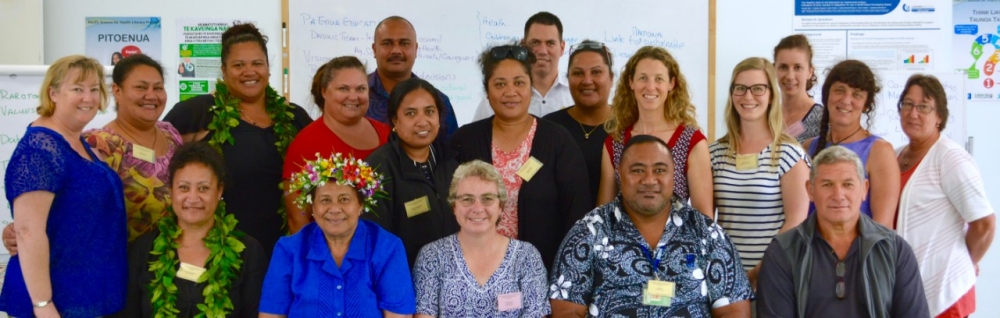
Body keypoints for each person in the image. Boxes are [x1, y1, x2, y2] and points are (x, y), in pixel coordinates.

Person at [550, 135, 752, 317]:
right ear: (619, 173)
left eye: (660, 170)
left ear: (674, 173)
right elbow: (567, 311)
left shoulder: (707, 234)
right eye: (637, 170)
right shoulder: (588, 232)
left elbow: (733, 311)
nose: (649, 180)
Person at [3, 54, 184, 253]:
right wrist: (19, 231)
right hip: (127, 265)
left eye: (158, 87)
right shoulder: (99, 144)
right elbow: (64, 205)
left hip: (176, 261)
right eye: (141, 87)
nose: (151, 95)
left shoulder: (170, 134)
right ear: (117, 91)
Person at [164, 23, 313, 255]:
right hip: (217, 253)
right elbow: (158, 163)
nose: (249, 71)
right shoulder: (197, 113)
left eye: (257, 63)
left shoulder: (295, 117)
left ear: (268, 69)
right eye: (238, 65)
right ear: (223, 71)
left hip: (282, 250)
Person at [0, 55, 126, 317]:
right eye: (77, 89)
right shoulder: (40, 148)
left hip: (86, 297)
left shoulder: (81, 144)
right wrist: (43, 305)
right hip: (55, 302)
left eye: (94, 89)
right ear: (53, 93)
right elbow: (27, 231)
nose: (88, 98)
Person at [449, 43, 592, 270]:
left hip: (541, 274)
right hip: (473, 271)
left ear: (530, 86)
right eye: (500, 84)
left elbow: (577, 213)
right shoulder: (464, 140)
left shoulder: (556, 140)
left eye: (519, 82)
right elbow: (447, 209)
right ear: (487, 91)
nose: (510, 92)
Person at [756, 146, 929, 318]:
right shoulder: (783, 252)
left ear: (864, 189)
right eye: (827, 184)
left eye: (847, 184)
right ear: (810, 190)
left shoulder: (895, 250)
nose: (838, 195)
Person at [120, 142, 267, 317]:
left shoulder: (249, 252)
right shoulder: (144, 249)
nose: (193, 198)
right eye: (183, 187)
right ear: (171, 190)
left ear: (219, 191)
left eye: (203, 188)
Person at [260, 153, 415, 317]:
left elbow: (399, 315)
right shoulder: (289, 249)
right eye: (325, 200)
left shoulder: (386, 248)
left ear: (361, 205)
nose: (334, 209)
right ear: (312, 207)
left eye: (344, 199)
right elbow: (271, 314)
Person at [894, 74, 995, 317]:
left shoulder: (951, 158)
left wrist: (963, 264)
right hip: (907, 292)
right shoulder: (894, 156)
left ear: (939, 117)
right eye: (907, 104)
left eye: (924, 107)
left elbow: (984, 224)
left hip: (944, 297)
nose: (913, 113)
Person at [711, 57, 811, 289]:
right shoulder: (714, 153)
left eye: (758, 89)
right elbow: (707, 221)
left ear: (771, 95)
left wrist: (758, 273)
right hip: (725, 277)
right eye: (740, 88)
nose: (748, 97)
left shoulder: (790, 154)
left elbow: (796, 222)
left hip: (775, 276)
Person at [412, 160, 550, 317]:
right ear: (453, 206)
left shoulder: (527, 256)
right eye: (467, 199)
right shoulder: (431, 256)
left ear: (500, 206)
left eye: (487, 198)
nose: (477, 208)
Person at [597, 46, 714, 218]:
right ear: (631, 82)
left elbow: (704, 219)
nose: (650, 87)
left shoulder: (692, 142)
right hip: (622, 244)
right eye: (643, 78)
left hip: (679, 243)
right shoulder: (615, 142)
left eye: (659, 79)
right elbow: (603, 215)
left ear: (671, 84)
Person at [283, 56, 391, 233]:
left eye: (361, 89)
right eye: (343, 88)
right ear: (324, 91)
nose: (353, 96)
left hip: (384, 250)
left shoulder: (387, 134)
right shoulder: (305, 144)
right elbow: (298, 220)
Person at [364, 77, 459, 266]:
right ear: (395, 121)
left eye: (429, 112)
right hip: (402, 278)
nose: (422, 122)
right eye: (410, 113)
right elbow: (375, 240)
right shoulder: (378, 169)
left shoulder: (452, 160)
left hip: (452, 276)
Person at [803, 60, 898, 228]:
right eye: (840, 90)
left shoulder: (879, 151)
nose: (846, 100)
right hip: (811, 252)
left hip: (860, 253)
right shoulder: (808, 147)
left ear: (866, 105)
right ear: (827, 96)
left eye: (857, 94)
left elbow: (883, 228)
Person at [542, 40, 614, 200]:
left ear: (611, 78)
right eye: (578, 73)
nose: (587, 80)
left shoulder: (631, 126)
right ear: (568, 79)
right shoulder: (548, 128)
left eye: (596, 72)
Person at [366, 16, 459, 139]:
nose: (396, 50)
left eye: (404, 43)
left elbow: (451, 153)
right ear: (374, 49)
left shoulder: (438, 101)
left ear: (415, 49)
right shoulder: (356, 98)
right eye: (387, 43)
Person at [472, 11, 573, 120]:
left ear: (562, 48)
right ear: (523, 46)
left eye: (550, 43)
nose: (543, 51)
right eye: (535, 42)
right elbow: (476, 135)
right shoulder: (495, 99)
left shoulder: (574, 95)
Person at [773, 34, 824, 143]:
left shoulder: (823, 120)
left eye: (798, 68)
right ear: (774, 70)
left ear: (810, 72)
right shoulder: (767, 116)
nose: (790, 76)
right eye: (783, 67)